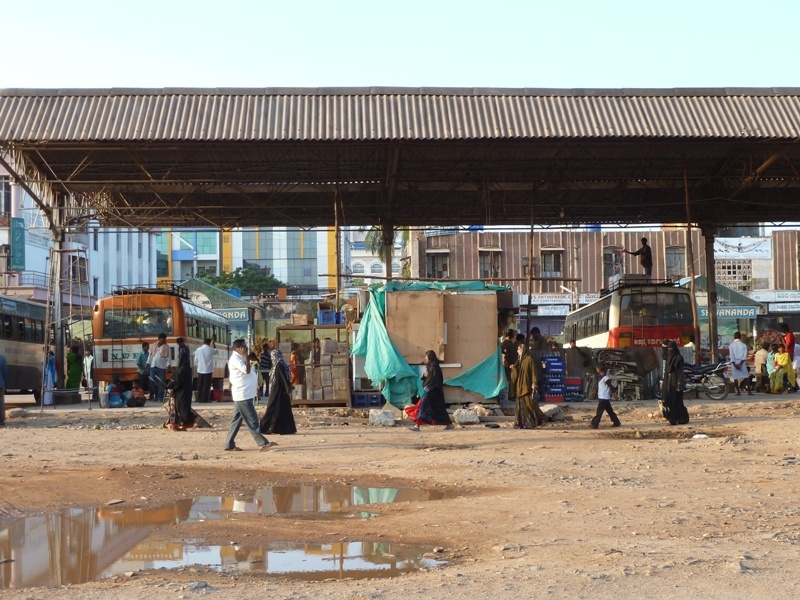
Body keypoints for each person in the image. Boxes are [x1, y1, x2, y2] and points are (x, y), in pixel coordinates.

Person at [224, 338, 276, 451]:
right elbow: (246, 371)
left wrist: (256, 387)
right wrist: (246, 357)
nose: (246, 349)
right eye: (244, 347)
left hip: (245, 392)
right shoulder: (236, 359)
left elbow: (250, 374)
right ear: (239, 348)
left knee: (236, 420)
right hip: (242, 393)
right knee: (252, 419)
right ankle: (262, 442)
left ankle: (229, 443)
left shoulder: (239, 358)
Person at [409, 350, 454, 431]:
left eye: (426, 356)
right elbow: (429, 377)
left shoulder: (434, 367)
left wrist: (428, 387)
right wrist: (424, 375)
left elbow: (433, 380)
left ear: (429, 357)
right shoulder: (432, 366)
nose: (425, 358)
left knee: (423, 407)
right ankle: (449, 424)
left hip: (432, 392)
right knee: (438, 409)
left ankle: (417, 426)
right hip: (434, 392)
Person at [259, 348, 297, 435]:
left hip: (278, 391)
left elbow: (283, 378)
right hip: (281, 391)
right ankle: (282, 428)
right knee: (281, 410)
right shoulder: (279, 364)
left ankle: (264, 427)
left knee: (271, 408)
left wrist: (288, 388)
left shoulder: (279, 365)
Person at [511, 342, 546, 429]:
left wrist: (534, 383)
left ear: (523, 350)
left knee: (529, 405)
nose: (517, 351)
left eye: (518, 349)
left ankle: (532, 422)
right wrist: (513, 367)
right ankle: (521, 423)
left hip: (527, 386)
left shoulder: (529, 359)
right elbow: (516, 368)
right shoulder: (520, 359)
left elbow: (533, 372)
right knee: (520, 405)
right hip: (520, 386)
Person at [169, 337, 196, 430]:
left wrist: (174, 388)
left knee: (182, 408)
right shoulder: (186, 367)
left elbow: (179, 381)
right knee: (182, 407)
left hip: (182, 391)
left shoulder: (182, 369)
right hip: (185, 391)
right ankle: (183, 423)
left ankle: (186, 423)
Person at [661, 340, 689, 425]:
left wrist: (679, 384)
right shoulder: (668, 358)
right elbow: (666, 370)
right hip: (669, 384)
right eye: (668, 348)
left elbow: (680, 372)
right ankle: (673, 419)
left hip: (676, 383)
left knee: (677, 401)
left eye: (671, 348)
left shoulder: (678, 358)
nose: (670, 350)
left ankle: (682, 418)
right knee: (669, 401)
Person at [590, 363, 621, 429]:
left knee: (599, 412)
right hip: (604, 398)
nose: (596, 369)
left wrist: (615, 395)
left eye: (597, 368)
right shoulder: (600, 377)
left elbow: (611, 387)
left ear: (600, 369)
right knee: (610, 412)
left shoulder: (606, 378)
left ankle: (594, 424)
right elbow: (599, 386)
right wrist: (594, 391)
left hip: (603, 398)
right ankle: (616, 422)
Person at [194, 337, 218, 403]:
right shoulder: (210, 349)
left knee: (200, 384)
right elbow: (216, 351)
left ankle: (199, 398)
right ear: (210, 343)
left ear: (203, 342)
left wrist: (198, 366)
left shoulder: (198, 350)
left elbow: (195, 360)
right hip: (208, 370)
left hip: (200, 369)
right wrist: (213, 343)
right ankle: (205, 399)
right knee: (206, 385)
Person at [149, 333, 171, 402]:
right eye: (163, 339)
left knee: (161, 382)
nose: (164, 340)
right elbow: (150, 355)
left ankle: (160, 397)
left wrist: (168, 366)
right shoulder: (153, 345)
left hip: (162, 367)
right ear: (159, 339)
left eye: (165, 339)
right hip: (153, 366)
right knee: (152, 381)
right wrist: (147, 363)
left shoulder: (167, 347)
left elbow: (169, 357)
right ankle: (156, 395)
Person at [501, 329, 517, 403]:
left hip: (509, 363)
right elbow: (506, 355)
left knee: (510, 380)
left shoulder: (506, 343)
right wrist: (511, 363)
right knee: (510, 380)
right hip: (508, 364)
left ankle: (511, 395)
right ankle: (511, 395)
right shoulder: (507, 343)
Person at [781, 324, 797, 391]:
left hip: (788, 353)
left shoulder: (789, 335)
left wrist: (783, 341)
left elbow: (787, 345)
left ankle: (790, 386)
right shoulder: (788, 335)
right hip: (788, 353)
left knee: (787, 371)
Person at [0, 352, 7, 427]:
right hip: (1, 384)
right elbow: (5, 372)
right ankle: (1, 421)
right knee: (1, 403)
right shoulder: (3, 358)